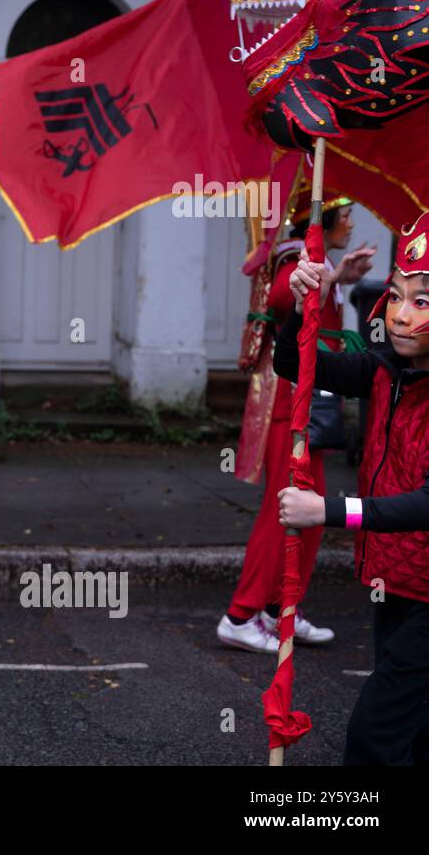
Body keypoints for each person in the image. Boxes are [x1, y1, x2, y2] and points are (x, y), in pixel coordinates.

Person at [277, 210, 429, 764]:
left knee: (375, 739)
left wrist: (332, 511)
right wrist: (302, 306)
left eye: (423, 301)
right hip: (400, 583)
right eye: (396, 297)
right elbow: (295, 362)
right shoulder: (386, 370)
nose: (401, 316)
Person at [220, 201, 376, 653]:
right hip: (290, 406)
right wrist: (326, 277)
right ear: (321, 219)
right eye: (344, 214)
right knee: (282, 512)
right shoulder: (296, 256)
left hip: (311, 401)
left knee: (312, 515)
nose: (350, 222)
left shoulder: (316, 258)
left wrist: (338, 277)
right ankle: (239, 615)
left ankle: (278, 609)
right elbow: (284, 298)